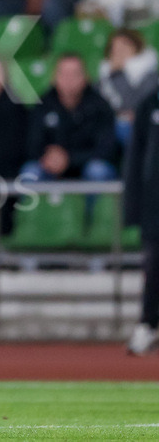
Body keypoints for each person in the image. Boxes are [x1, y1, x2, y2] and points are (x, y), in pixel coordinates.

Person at [19, 53, 118, 183]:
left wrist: (70, 159)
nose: (69, 79)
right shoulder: (42, 105)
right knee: (30, 171)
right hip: (50, 167)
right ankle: (35, 204)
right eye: (64, 74)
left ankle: (95, 205)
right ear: (54, 77)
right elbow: (31, 145)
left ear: (85, 77)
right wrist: (48, 157)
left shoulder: (100, 107)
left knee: (98, 170)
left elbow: (106, 149)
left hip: (85, 166)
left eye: (75, 74)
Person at [122, 79, 159, 356]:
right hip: (155, 202)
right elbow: (135, 157)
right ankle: (148, 323)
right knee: (154, 267)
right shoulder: (150, 102)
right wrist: (133, 207)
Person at [97, 28, 159, 146]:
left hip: (142, 127)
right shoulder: (103, 77)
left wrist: (118, 74)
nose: (119, 52)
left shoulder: (150, 75)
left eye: (124, 47)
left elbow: (134, 103)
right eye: (115, 49)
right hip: (108, 127)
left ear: (137, 48)